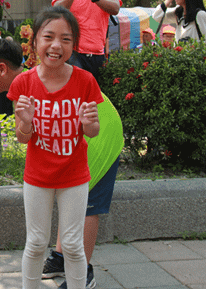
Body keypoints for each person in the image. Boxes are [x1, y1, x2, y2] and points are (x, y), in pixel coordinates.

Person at [7, 6, 102, 289]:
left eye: (66, 39)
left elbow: (93, 133)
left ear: (74, 44)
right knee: (35, 242)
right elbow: (23, 138)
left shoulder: (85, 81)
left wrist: (89, 124)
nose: (56, 46)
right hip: (37, 177)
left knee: (73, 245)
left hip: (74, 176)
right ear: (35, 41)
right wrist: (26, 123)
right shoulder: (23, 82)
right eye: (48, 37)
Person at [41, 93, 123, 289]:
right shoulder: (32, 80)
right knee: (66, 195)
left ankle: (82, 273)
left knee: (87, 201)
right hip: (76, 134)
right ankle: (61, 258)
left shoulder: (32, 82)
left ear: (2, 69)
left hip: (100, 133)